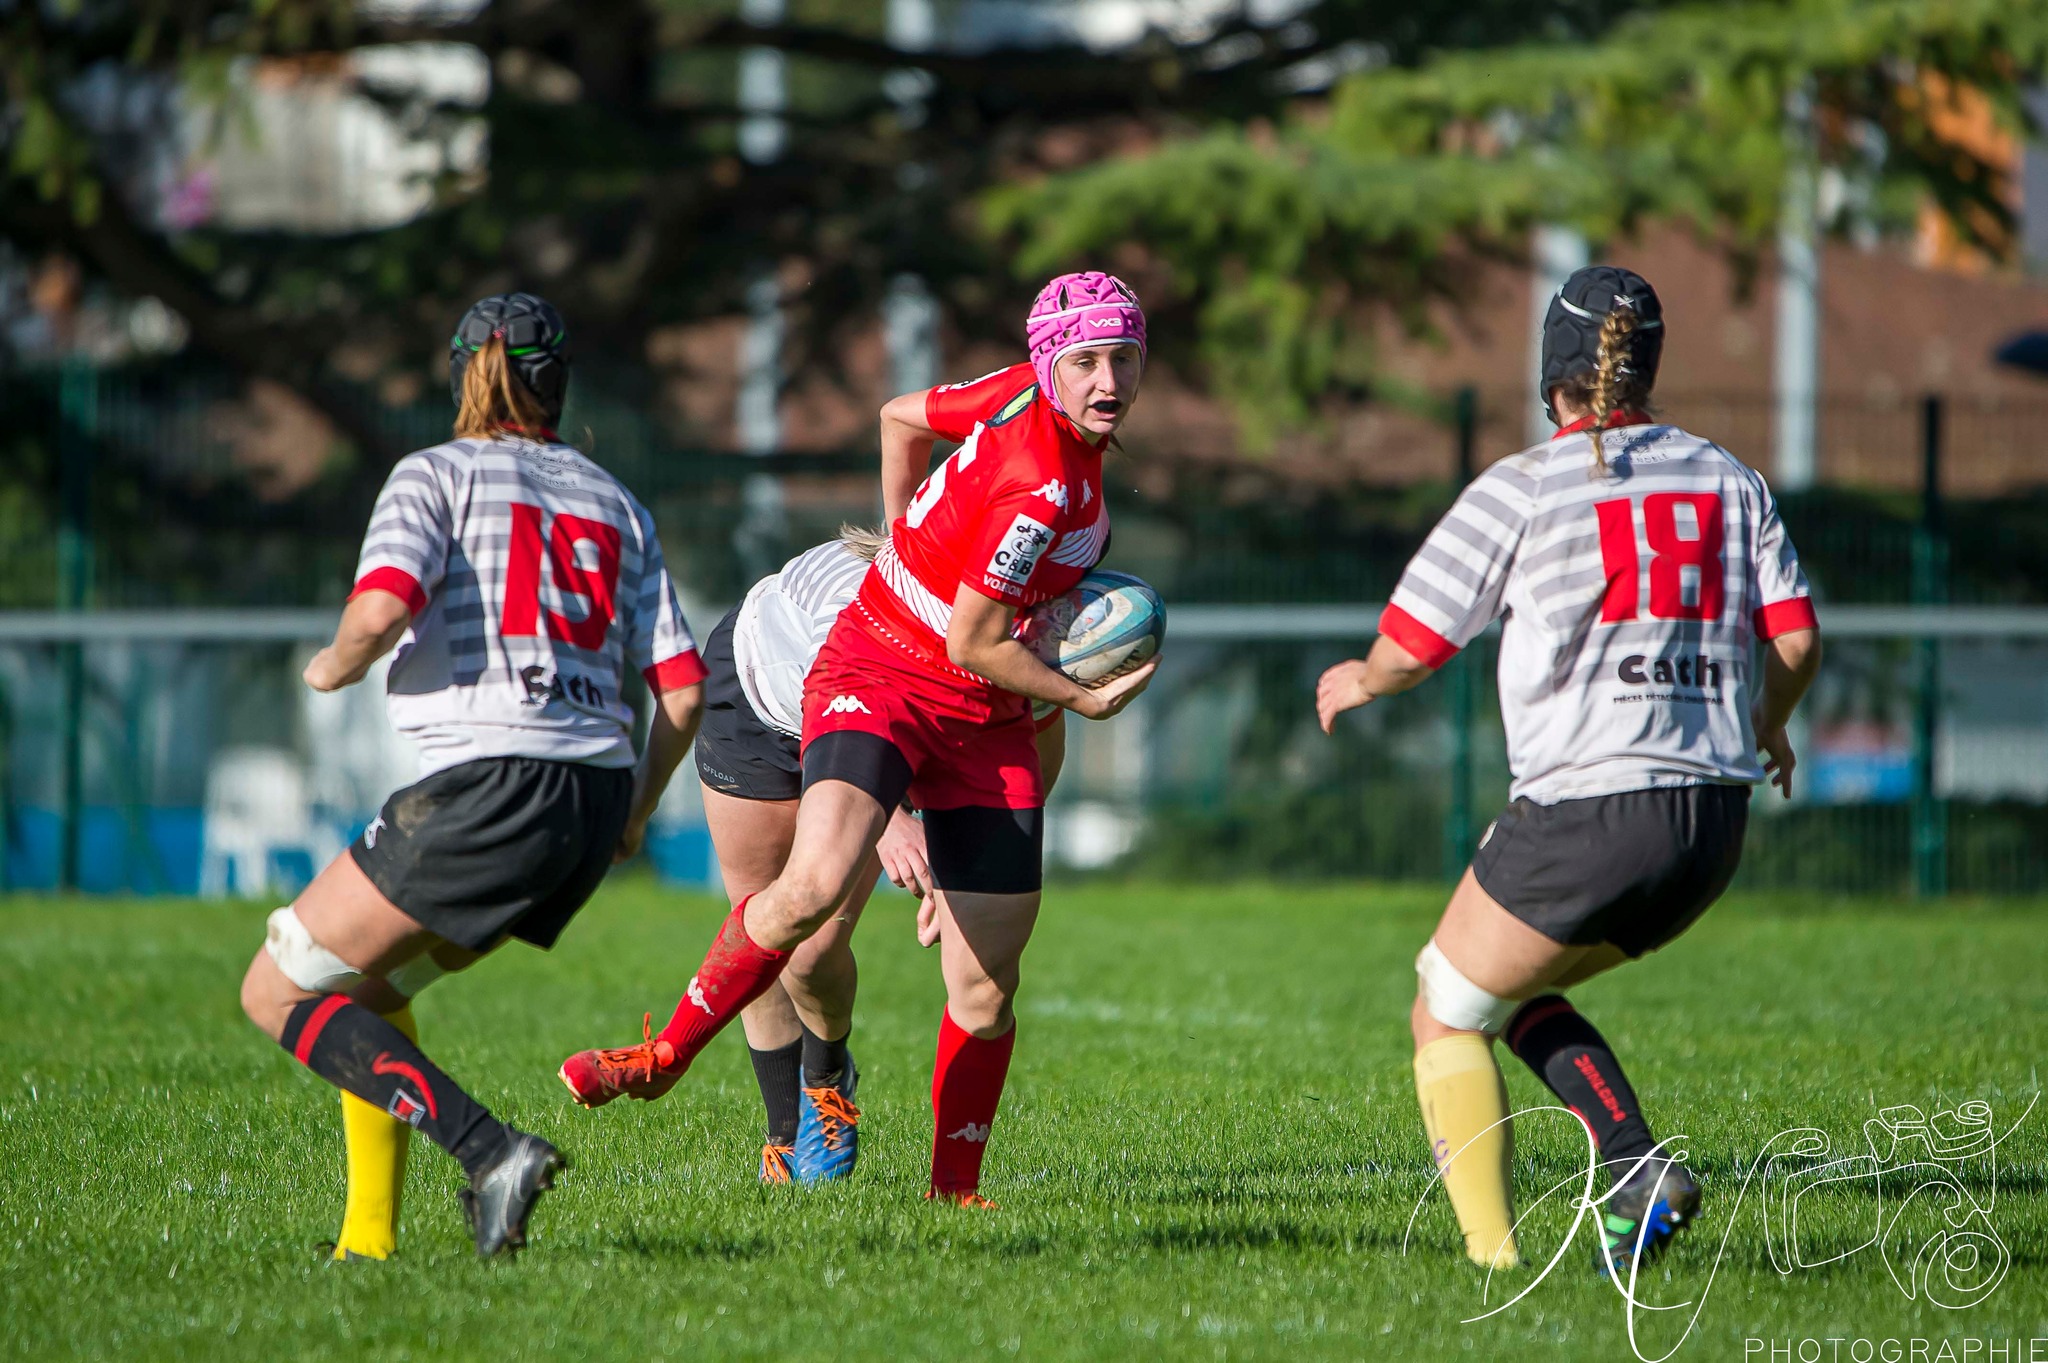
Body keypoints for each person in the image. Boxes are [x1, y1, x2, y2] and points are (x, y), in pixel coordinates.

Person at [561, 271, 1155, 1208]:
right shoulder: (1042, 486)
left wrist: (906, 529)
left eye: (1123, 356)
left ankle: (952, 1192)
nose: (1106, 379)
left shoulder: (1014, 395)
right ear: (1048, 364)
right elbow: (971, 638)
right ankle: (664, 1054)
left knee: (986, 987)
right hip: (881, 671)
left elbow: (899, 417)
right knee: (804, 894)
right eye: (1083, 360)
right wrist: (1079, 697)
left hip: (984, 713)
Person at [1316, 266, 1822, 1276]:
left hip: (1589, 811)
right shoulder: (1724, 475)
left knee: (1442, 1006)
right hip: (1709, 823)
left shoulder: (1523, 485)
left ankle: (1494, 1266)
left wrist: (1359, 681)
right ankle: (1633, 1171)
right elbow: (1798, 638)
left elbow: (1413, 644)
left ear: (1552, 373)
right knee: (1500, 993)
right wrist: (1765, 722)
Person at [237, 292, 707, 1259]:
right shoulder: (616, 499)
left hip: (494, 783)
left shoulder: (433, 476)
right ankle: (367, 1246)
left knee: (275, 991)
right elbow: (686, 691)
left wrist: (330, 665)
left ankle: (492, 1152)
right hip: (589, 800)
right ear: (558, 382)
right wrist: (635, 814)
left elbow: (379, 612)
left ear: (466, 373)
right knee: (356, 988)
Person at [695, 529, 1067, 1185]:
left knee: (811, 952)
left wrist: (962, 863)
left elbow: (1034, 746)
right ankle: (785, 1134)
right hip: (760, 699)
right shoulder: (865, 608)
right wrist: (893, 822)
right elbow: (841, 729)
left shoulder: (1005, 633)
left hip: (874, 724)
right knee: (764, 922)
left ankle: (827, 1073)